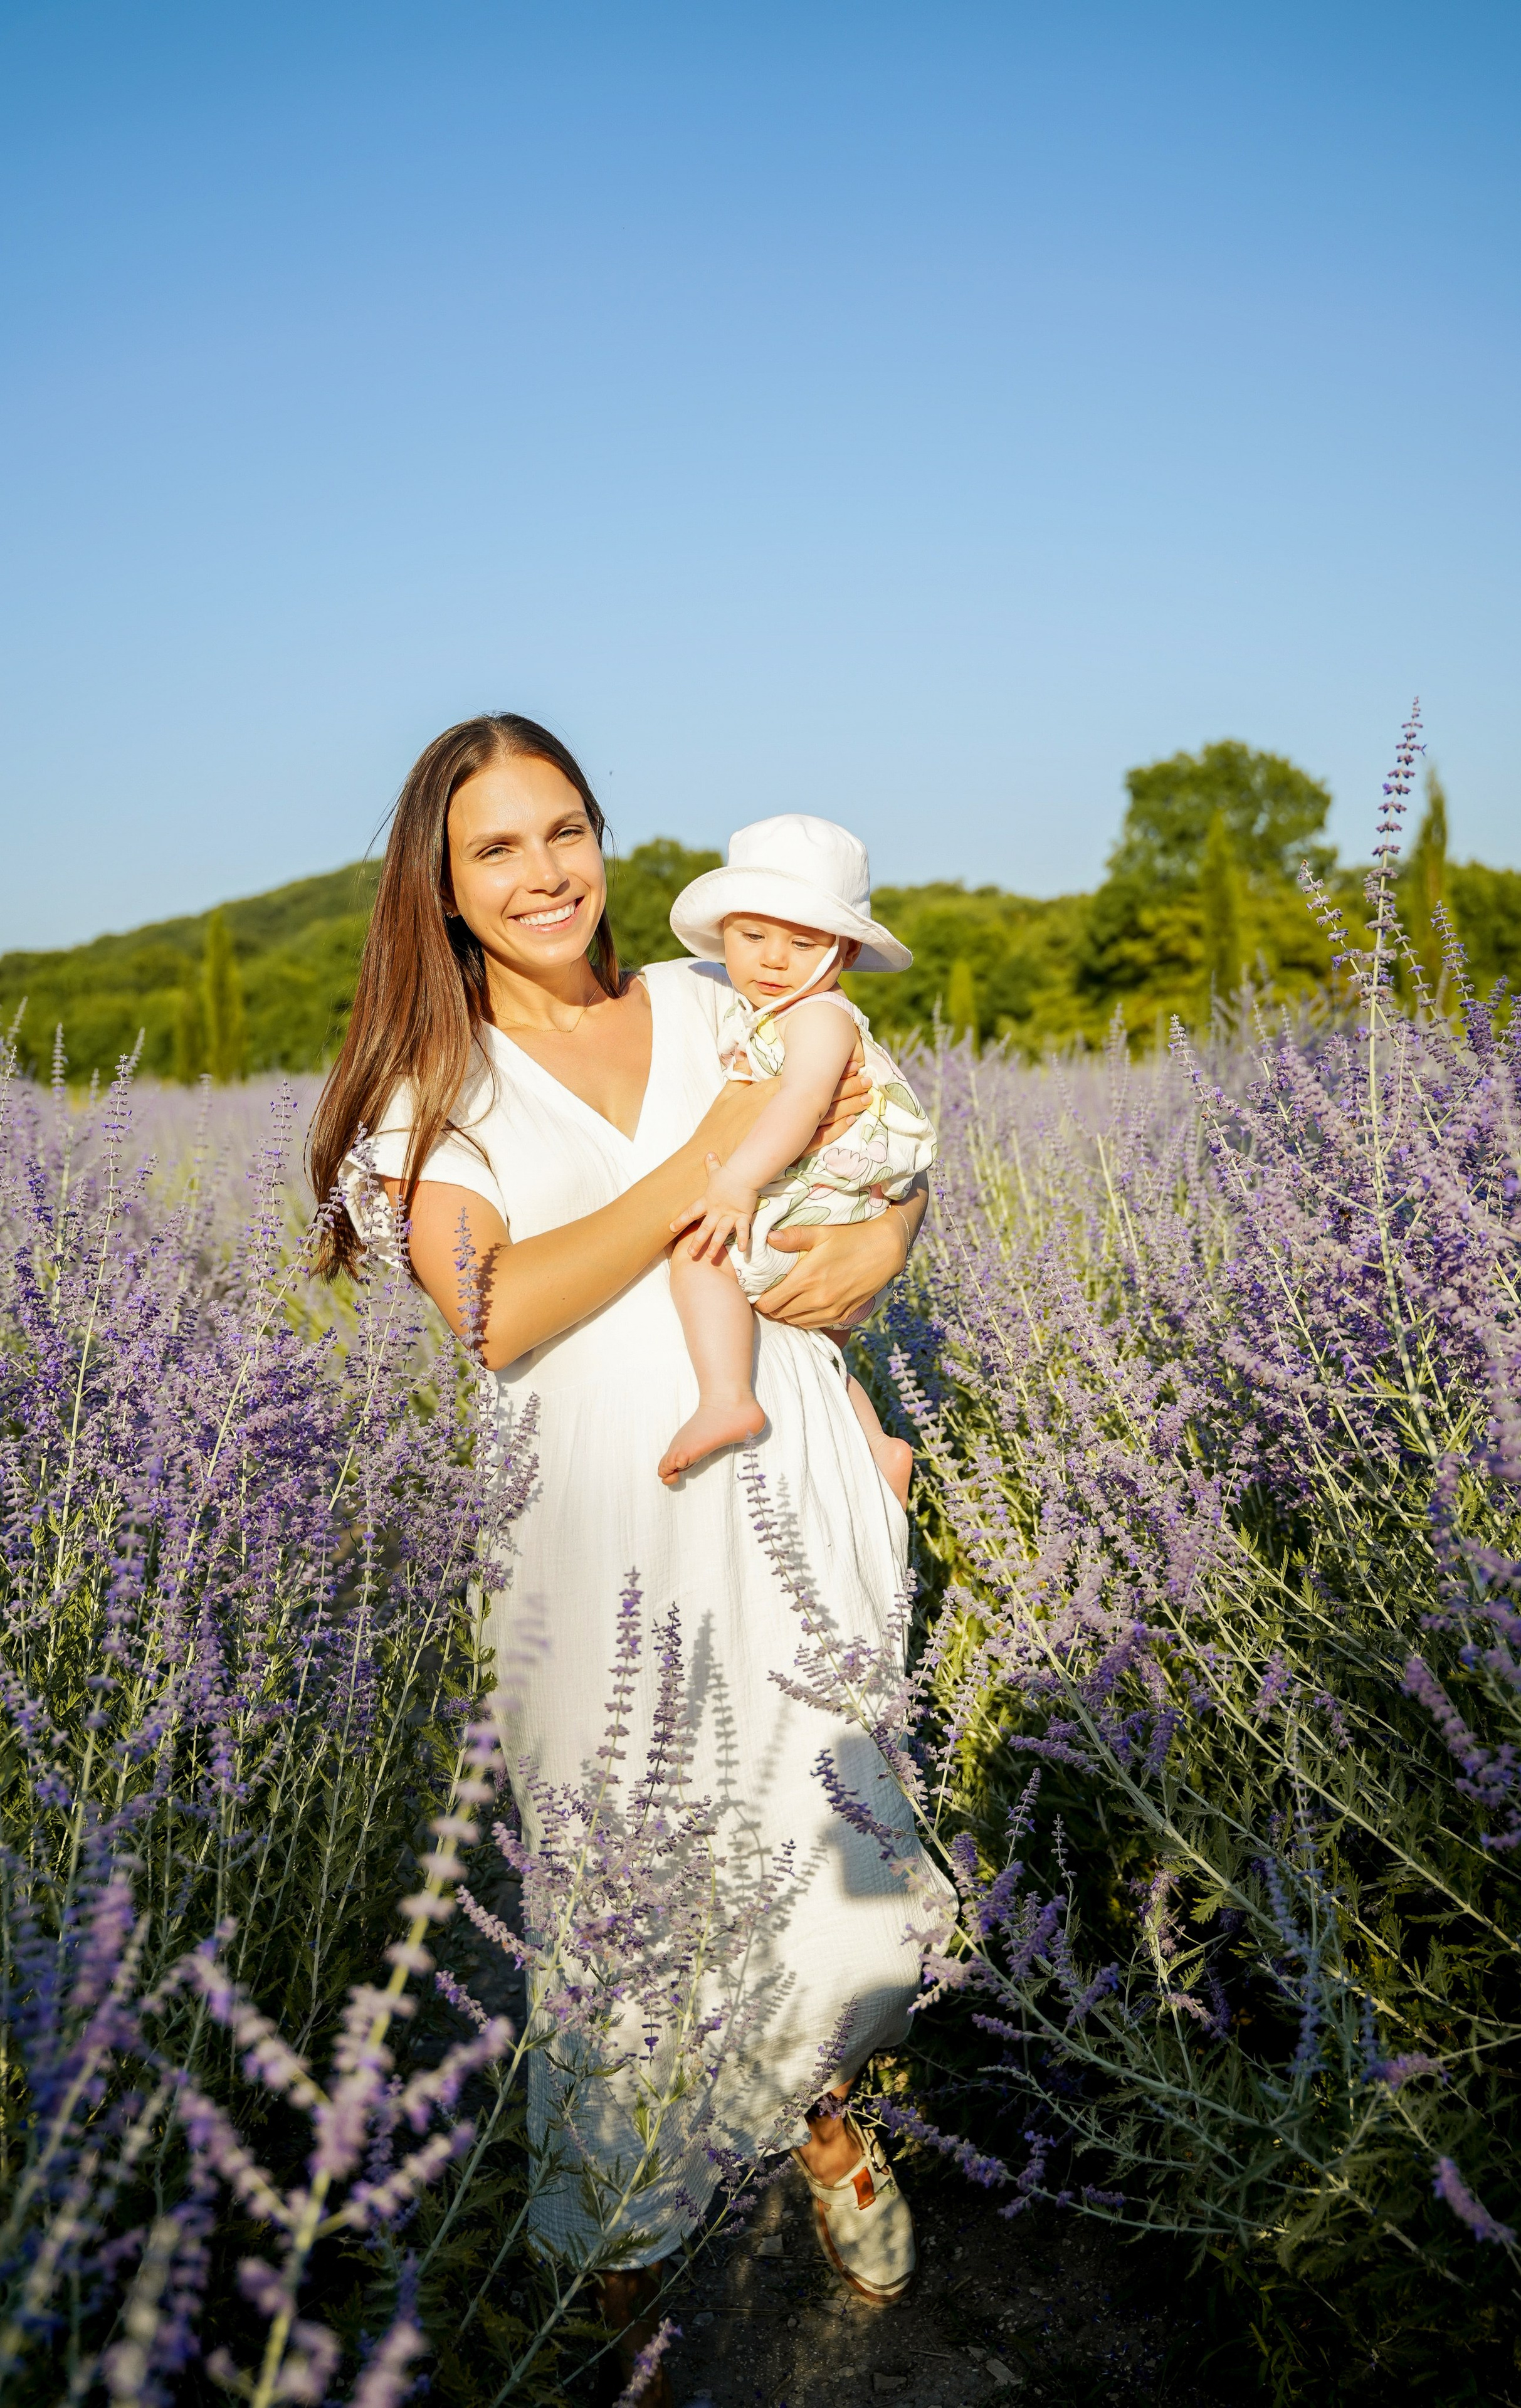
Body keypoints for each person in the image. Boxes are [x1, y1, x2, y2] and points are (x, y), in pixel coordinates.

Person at [308, 717, 953, 2405]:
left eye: (567, 829)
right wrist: (693, 1172)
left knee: (822, 1851)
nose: (545, 873)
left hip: (782, 1472)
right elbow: (491, 1310)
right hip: (602, 1536)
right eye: (498, 849)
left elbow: (867, 1134)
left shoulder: (707, 1002)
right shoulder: (424, 1090)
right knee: (630, 1914)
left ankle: (818, 2122)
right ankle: (627, 2311)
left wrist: (882, 1239)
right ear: (439, 891)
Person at [657, 814, 935, 1495]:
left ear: (839, 955)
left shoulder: (816, 1015)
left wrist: (738, 1184)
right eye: (752, 937)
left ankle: (726, 1396)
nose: (773, 959)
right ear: (724, 935)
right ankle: (876, 1447)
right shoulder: (779, 1011)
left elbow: (804, 1102)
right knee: (818, 1357)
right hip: (837, 1216)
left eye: (801, 942)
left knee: (698, 1259)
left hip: (815, 1213)